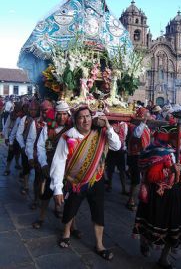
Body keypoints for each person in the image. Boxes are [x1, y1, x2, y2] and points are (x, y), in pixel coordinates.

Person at [50, 106, 121, 260]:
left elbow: (117, 146)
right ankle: (66, 233)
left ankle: (99, 244)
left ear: (92, 117)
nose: (85, 120)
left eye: (88, 116)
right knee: (71, 207)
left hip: (97, 178)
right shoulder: (68, 136)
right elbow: (59, 162)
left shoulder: (101, 133)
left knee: (98, 210)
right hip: (76, 181)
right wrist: (57, 189)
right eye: (81, 117)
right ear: (75, 120)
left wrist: (108, 127)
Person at [132, 123, 181, 268]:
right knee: (152, 223)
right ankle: (144, 242)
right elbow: (151, 176)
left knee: (174, 227)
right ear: (171, 138)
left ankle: (164, 257)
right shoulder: (158, 152)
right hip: (158, 196)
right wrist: (170, 170)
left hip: (176, 195)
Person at [32, 101, 71, 229]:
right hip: (50, 166)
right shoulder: (48, 128)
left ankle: (67, 220)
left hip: (66, 168)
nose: (62, 117)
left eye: (65, 114)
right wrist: (43, 164)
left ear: (68, 114)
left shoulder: (72, 129)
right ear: (55, 114)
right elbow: (41, 147)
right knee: (46, 194)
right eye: (59, 114)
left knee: (68, 195)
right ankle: (41, 217)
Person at [126, 108, 151, 211]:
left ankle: (141, 197)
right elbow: (137, 134)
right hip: (135, 156)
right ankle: (130, 200)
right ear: (142, 116)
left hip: (144, 155)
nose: (149, 116)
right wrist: (143, 122)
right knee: (136, 180)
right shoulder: (133, 126)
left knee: (144, 179)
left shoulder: (146, 127)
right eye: (147, 114)